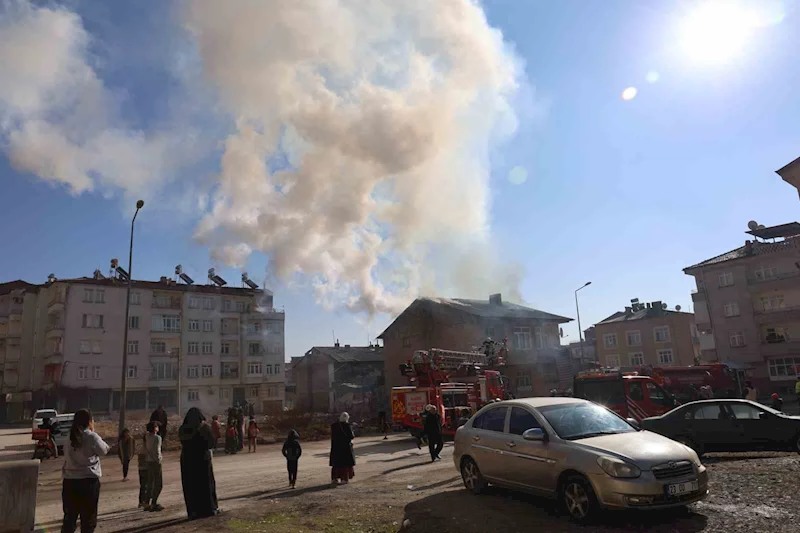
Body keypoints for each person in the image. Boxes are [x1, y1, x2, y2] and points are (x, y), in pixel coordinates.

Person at [61, 408, 110, 533]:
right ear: (89, 421)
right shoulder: (91, 436)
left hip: (69, 482)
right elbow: (104, 450)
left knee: (69, 519)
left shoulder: (68, 437)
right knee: (88, 520)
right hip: (88, 482)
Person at [179, 407, 219, 520]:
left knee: (190, 486)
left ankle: (193, 511)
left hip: (187, 460)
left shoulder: (182, 429)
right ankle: (209, 509)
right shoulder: (204, 428)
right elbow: (211, 443)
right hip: (202, 459)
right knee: (205, 484)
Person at [329, 412, 355, 485]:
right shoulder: (347, 426)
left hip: (336, 448)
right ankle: (344, 479)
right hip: (345, 448)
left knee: (336, 464)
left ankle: (334, 478)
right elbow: (351, 436)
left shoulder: (334, 426)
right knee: (345, 464)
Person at [144, 421, 164, 512]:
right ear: (155, 428)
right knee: (158, 483)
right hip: (156, 462)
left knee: (150, 482)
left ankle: (147, 503)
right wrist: (159, 460)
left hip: (148, 460)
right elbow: (157, 451)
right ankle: (154, 503)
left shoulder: (147, 436)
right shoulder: (157, 438)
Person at [137, 432, 149, 508]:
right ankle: (144, 502)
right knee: (146, 485)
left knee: (143, 485)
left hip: (141, 469)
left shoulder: (142, 447)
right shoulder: (146, 448)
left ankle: (141, 501)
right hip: (146, 469)